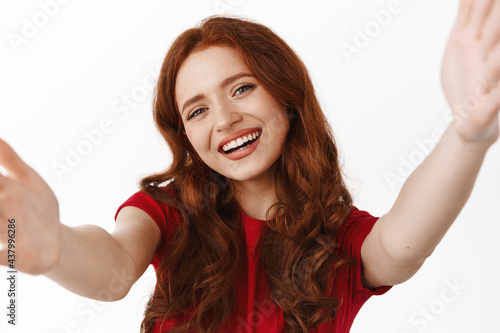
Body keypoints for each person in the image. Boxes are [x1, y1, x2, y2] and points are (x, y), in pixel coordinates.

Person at [1, 1, 499, 332]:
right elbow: (112, 264)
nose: (224, 119)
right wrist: (57, 249)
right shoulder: (165, 212)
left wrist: (466, 133)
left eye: (242, 88)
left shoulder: (342, 241)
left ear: (286, 97)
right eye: (197, 111)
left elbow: (402, 246)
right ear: (188, 138)